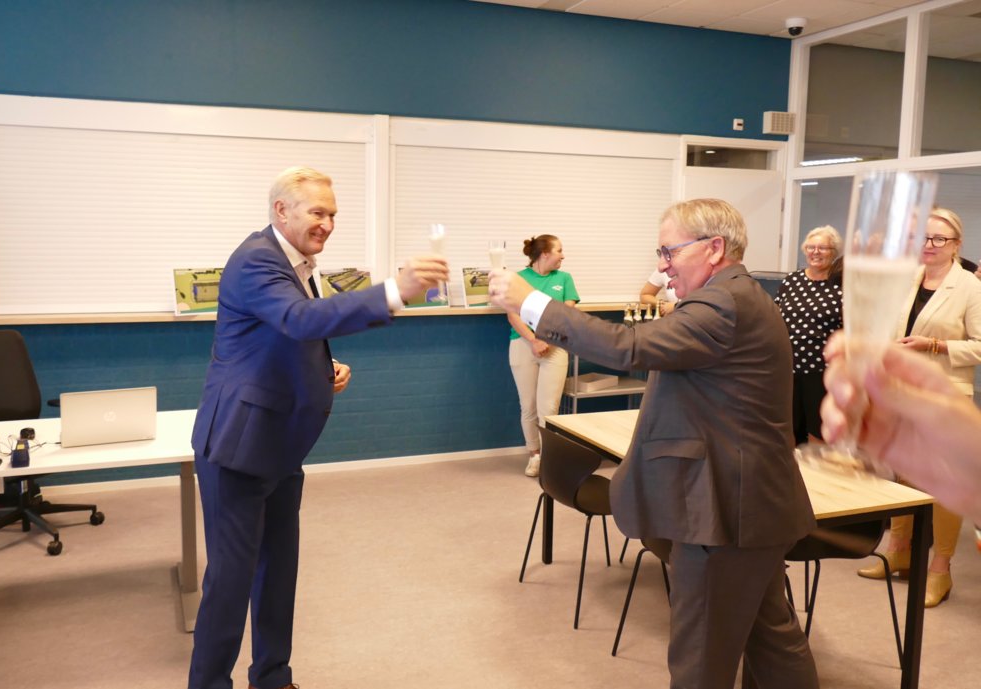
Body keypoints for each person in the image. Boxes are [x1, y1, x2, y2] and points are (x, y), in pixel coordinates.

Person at [490, 198, 818, 689]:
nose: (662, 266)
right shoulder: (735, 297)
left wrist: (531, 302)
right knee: (771, 637)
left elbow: (629, 347)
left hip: (725, 511)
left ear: (714, 248)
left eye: (669, 252)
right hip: (752, 506)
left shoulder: (723, 304)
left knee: (701, 657)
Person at [188, 166, 448, 689]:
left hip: (280, 446)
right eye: (317, 212)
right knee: (230, 583)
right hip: (238, 447)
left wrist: (324, 368)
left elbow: (290, 335)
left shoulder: (298, 261)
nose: (327, 223)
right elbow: (299, 319)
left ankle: (272, 676)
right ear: (281, 210)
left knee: (278, 573)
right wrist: (394, 290)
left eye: (332, 214)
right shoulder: (257, 258)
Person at [853, 207, 981, 607]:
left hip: (944, 395)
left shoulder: (969, 287)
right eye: (923, 237)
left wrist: (935, 345)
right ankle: (898, 552)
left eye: (939, 238)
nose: (929, 245)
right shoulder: (908, 280)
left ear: (956, 245)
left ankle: (940, 569)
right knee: (902, 475)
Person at [821, 332, 981, 525]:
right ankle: (899, 542)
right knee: (904, 491)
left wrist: (934, 344)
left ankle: (940, 548)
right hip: (899, 404)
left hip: (947, 396)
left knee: (937, 511)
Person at [507, 234, 579, 477]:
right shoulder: (518, 279)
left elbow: (566, 314)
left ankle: (549, 458)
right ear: (545, 254)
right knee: (528, 406)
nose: (563, 256)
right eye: (559, 250)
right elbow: (512, 315)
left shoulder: (564, 278)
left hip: (555, 346)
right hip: (522, 345)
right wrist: (533, 340)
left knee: (548, 408)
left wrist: (546, 339)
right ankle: (534, 456)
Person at [774, 225, 843, 445]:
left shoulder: (841, 284)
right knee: (787, 429)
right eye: (811, 247)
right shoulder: (791, 281)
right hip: (787, 368)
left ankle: (814, 468)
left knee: (818, 430)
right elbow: (775, 316)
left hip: (822, 370)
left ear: (834, 252)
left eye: (823, 248)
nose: (815, 252)